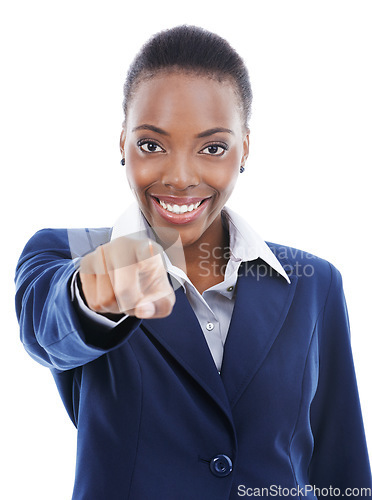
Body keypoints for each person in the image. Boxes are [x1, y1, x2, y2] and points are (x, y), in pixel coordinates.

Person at [15, 25, 371, 499]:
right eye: (151, 145)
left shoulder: (315, 284)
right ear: (122, 143)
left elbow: (340, 466)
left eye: (213, 148)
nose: (181, 177)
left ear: (245, 148)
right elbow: (47, 327)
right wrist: (89, 296)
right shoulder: (69, 253)